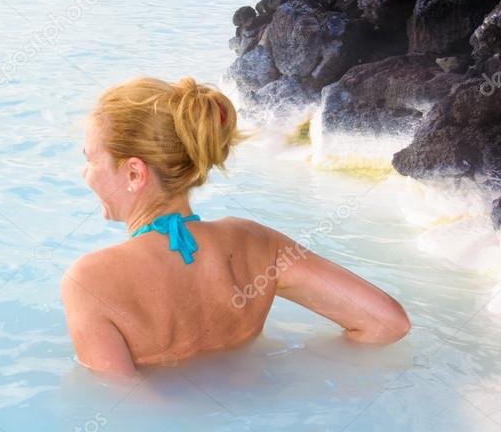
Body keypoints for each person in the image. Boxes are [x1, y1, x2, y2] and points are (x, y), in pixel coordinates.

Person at [62, 77, 410, 377]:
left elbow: (121, 408)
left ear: (134, 173)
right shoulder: (256, 242)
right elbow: (387, 323)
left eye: (91, 160)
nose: (85, 173)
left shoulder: (89, 280)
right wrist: (299, 375)